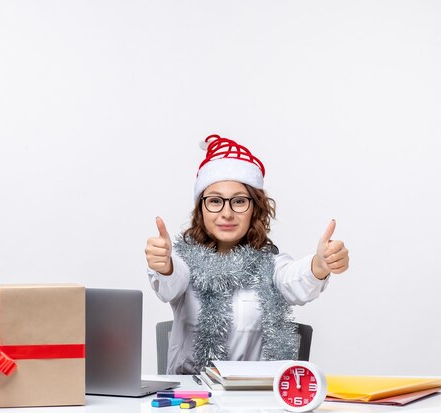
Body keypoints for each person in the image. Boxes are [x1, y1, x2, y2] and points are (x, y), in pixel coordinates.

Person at [145, 134, 349, 375]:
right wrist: (164, 265)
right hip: (193, 400)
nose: (227, 213)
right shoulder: (183, 262)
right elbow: (170, 282)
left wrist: (319, 265)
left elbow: (294, 280)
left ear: (255, 208)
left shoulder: (272, 264)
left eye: (239, 201)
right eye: (215, 201)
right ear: (201, 208)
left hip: (258, 398)